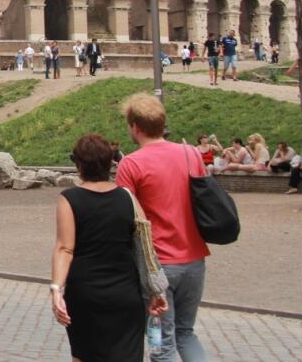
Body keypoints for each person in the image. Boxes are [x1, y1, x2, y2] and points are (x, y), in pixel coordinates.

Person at [51, 135, 167, 360]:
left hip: (85, 293)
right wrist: (155, 290)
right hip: (125, 293)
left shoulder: (69, 198)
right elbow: (145, 246)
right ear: (110, 164)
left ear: (79, 165)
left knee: (85, 355)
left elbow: (65, 248)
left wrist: (56, 289)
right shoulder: (128, 197)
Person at [116, 94, 209, 361]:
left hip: (157, 264)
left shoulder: (131, 164)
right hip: (194, 257)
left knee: (161, 341)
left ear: (134, 126)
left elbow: (126, 217)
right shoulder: (191, 154)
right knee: (186, 333)